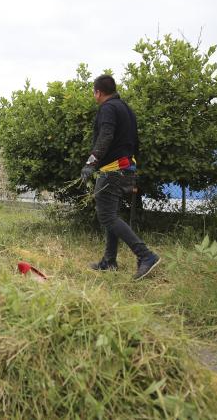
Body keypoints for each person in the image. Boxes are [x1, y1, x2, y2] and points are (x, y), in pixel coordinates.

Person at [81, 74, 160, 281]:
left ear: (98, 92)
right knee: (111, 214)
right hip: (127, 167)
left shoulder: (107, 108)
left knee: (107, 216)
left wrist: (91, 162)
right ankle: (109, 261)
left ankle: (146, 255)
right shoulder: (126, 109)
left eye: (94, 92)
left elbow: (106, 135)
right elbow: (135, 141)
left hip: (113, 169)